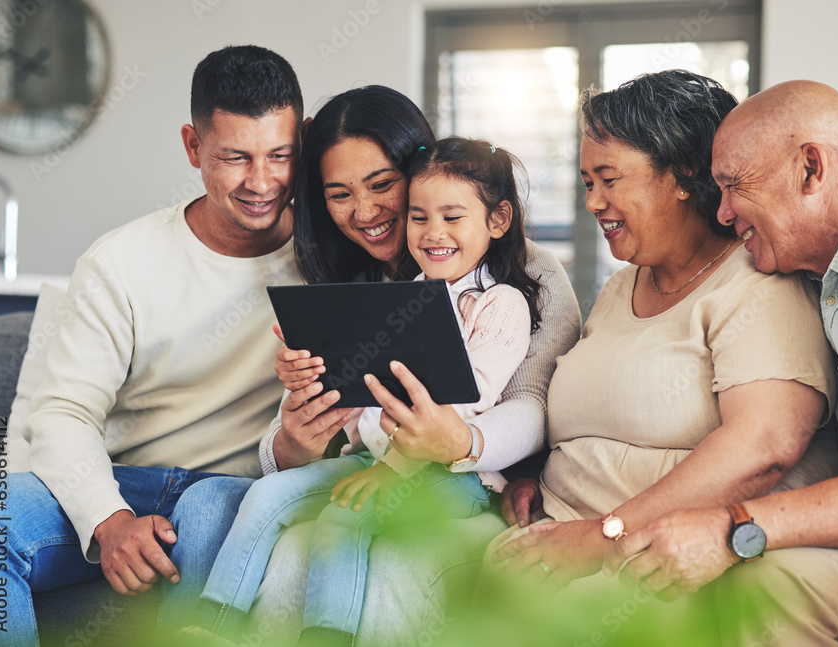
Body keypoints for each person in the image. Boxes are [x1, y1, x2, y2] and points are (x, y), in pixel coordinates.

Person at [604, 80, 838, 646]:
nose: (723, 213)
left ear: (810, 168)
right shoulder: (814, 262)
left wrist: (732, 528)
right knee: (766, 593)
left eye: (732, 186)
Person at [480, 70, 837, 636]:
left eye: (609, 179)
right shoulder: (624, 285)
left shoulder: (758, 283)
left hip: (639, 563)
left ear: (684, 176)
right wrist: (531, 479)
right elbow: (580, 419)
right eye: (585, 182)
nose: (594, 202)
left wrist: (602, 537)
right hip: (549, 533)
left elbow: (764, 446)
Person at [0, 45, 306, 646]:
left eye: (280, 155)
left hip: (233, 492)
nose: (262, 182)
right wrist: (110, 519)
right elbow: (65, 413)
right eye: (235, 157)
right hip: (124, 477)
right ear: (193, 147)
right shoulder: (121, 261)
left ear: (303, 142)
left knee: (209, 513)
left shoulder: (333, 259)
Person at [236, 86, 582, 646]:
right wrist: (297, 435)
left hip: (465, 482)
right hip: (369, 469)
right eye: (339, 194)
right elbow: (290, 441)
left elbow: (529, 404)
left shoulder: (522, 278)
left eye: (382, 185)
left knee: (365, 550)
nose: (365, 212)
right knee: (276, 534)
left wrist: (465, 446)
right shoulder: (348, 278)